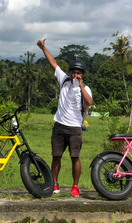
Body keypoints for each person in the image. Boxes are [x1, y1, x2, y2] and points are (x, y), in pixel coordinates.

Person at [37, 38, 93, 197]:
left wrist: (80, 85)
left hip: (75, 127)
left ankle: (75, 186)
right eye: (74, 72)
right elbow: (53, 63)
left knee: (75, 158)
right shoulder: (64, 81)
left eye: (79, 73)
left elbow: (89, 101)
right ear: (70, 73)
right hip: (59, 125)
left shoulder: (85, 88)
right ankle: (54, 183)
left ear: (82, 74)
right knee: (56, 156)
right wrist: (43, 48)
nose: (76, 75)